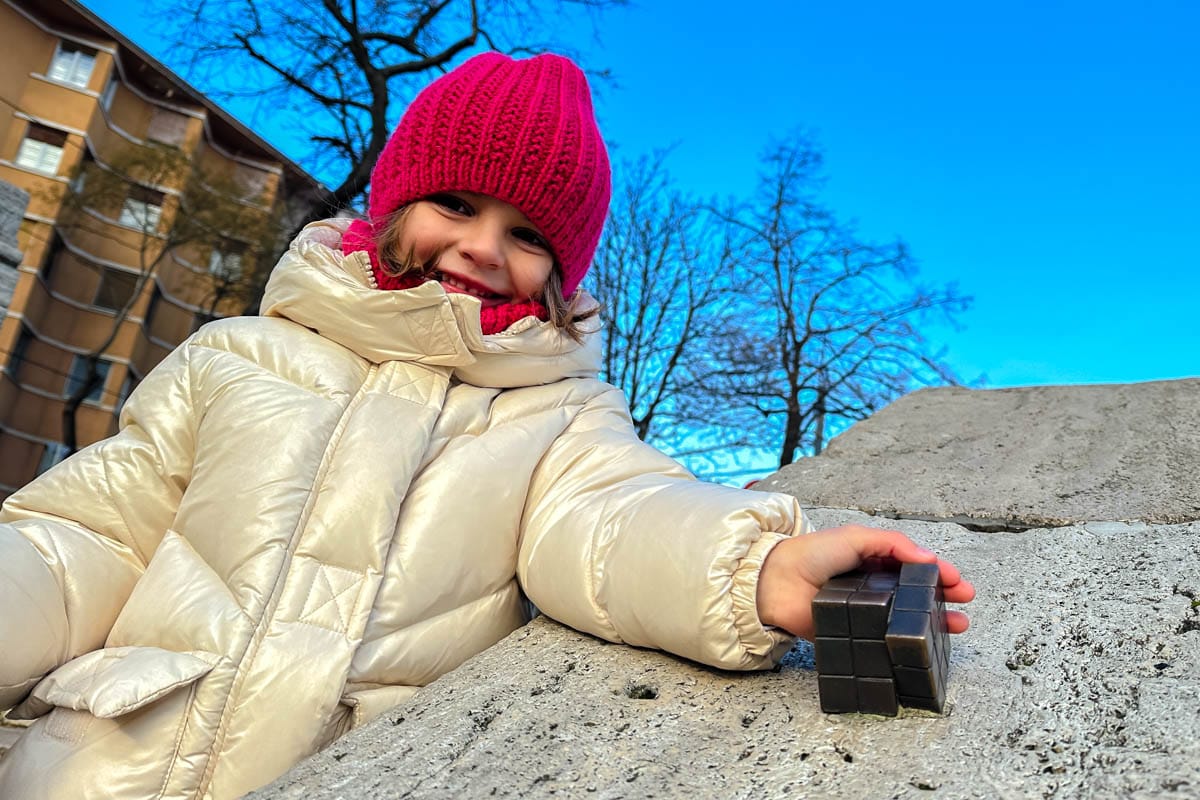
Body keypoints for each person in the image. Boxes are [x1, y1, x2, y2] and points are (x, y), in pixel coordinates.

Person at [0, 52, 974, 799]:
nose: (480, 247)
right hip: (100, 763)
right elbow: (92, 533)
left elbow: (610, 521)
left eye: (526, 234)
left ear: (561, 270)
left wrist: (754, 571)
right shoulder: (240, 356)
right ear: (394, 199)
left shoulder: (556, 414)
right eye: (455, 204)